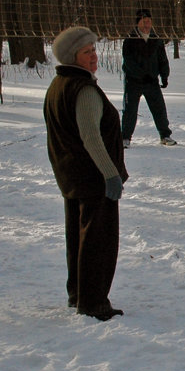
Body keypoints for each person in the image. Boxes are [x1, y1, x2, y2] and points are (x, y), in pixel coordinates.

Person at [43, 27, 130, 321]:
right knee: (98, 242)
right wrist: (111, 175)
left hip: (72, 177)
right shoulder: (84, 90)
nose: (94, 56)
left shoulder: (59, 84)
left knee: (78, 238)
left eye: (93, 49)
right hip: (93, 179)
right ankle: (93, 303)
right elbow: (91, 137)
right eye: (87, 52)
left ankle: (78, 293)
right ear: (72, 57)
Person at [120, 8, 176, 146]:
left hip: (151, 82)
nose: (147, 25)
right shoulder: (130, 40)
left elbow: (162, 59)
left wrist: (164, 76)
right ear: (138, 23)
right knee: (130, 110)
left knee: (159, 109)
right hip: (134, 82)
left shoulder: (156, 39)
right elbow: (128, 61)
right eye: (144, 22)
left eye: (149, 22)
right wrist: (140, 74)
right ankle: (125, 137)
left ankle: (165, 136)